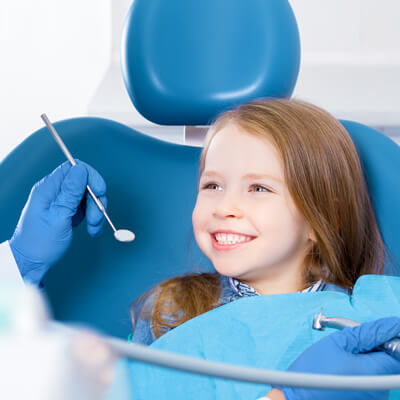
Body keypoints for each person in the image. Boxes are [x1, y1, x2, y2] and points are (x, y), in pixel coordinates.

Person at [1, 98, 399, 399]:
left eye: (259, 188)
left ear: (320, 219)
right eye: (212, 185)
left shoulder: (363, 325)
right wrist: (19, 262)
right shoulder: (171, 310)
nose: (224, 207)